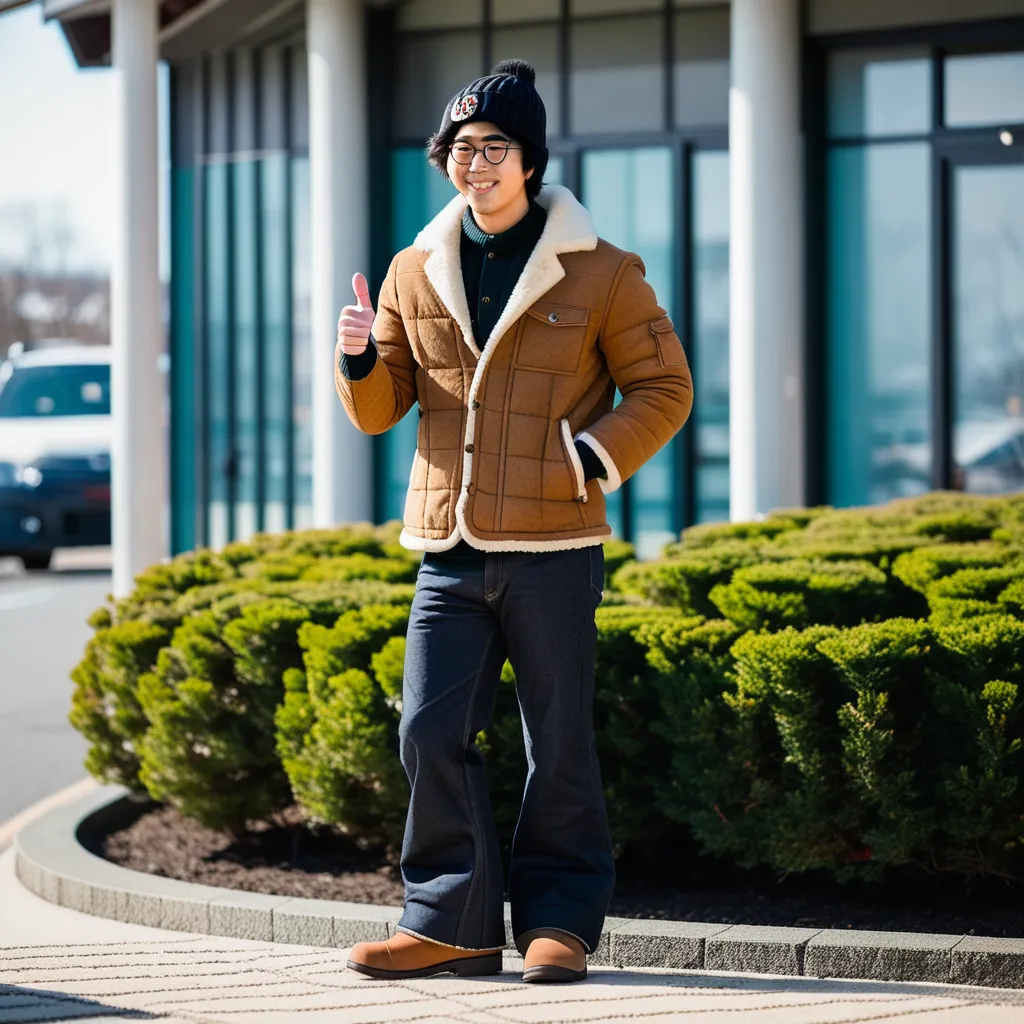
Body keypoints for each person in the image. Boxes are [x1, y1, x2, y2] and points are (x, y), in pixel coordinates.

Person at [335, 59, 692, 984]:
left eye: (493, 147)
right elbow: (385, 410)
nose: (475, 163)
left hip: (555, 546)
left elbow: (665, 387)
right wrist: (358, 363)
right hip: (447, 546)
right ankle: (448, 919)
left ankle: (559, 925)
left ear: (529, 160)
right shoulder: (416, 270)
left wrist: (586, 459)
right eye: (460, 149)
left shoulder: (603, 271)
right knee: (425, 729)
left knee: (557, 739)